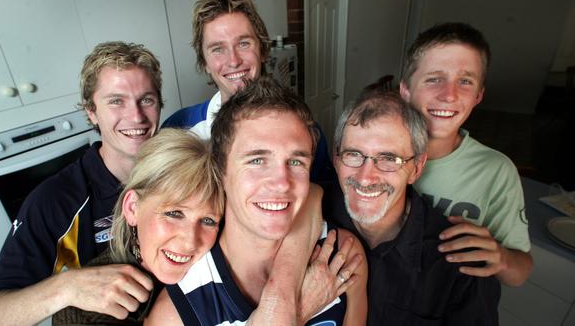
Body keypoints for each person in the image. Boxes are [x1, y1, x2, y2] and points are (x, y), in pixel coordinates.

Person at [0, 41, 164, 325]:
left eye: (146, 99)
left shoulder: (174, 171)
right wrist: (66, 288)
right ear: (91, 111)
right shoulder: (54, 201)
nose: (136, 116)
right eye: (116, 101)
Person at [148, 77, 367, 325]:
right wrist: (293, 310)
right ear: (221, 171)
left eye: (296, 162)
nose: (282, 183)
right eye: (257, 160)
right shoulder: (175, 314)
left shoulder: (342, 257)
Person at [324, 91, 500, 325]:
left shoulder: (461, 269)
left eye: (389, 158)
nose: (366, 178)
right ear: (336, 160)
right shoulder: (311, 211)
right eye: (354, 154)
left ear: (416, 168)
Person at [399, 22, 533, 286]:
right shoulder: (375, 154)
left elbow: (520, 273)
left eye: (465, 81)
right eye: (434, 78)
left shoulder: (496, 171)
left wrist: (502, 257)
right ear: (405, 90)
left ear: (478, 95)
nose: (449, 95)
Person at [161, 0, 335, 182]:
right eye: (218, 49)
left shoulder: (303, 128)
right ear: (205, 63)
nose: (234, 60)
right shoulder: (179, 129)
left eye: (243, 43)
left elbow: (327, 200)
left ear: (263, 50)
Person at [53, 128, 225, 325]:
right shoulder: (89, 309)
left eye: (208, 220)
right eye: (174, 213)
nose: (190, 241)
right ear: (132, 208)